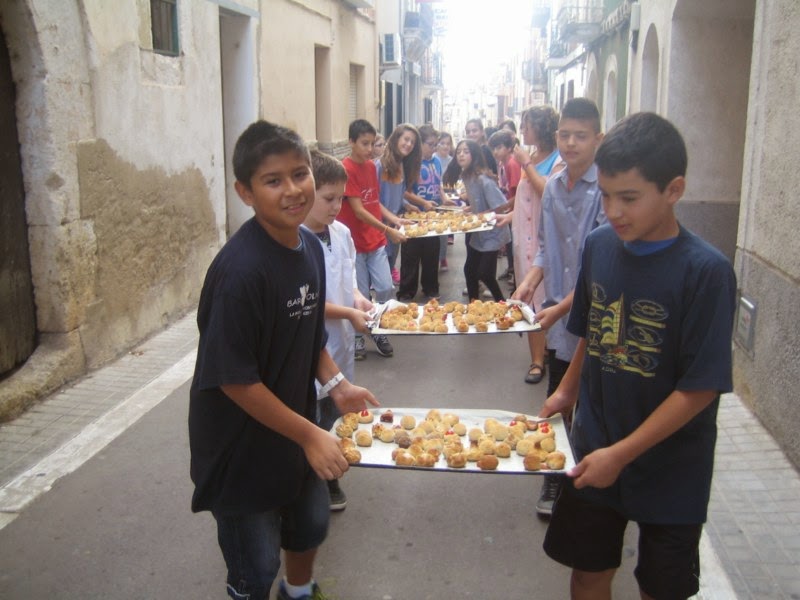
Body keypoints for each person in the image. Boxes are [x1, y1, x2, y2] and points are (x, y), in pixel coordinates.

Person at [540, 112, 736, 600]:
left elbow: (700, 388)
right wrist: (566, 391)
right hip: (595, 444)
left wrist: (623, 455)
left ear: (674, 190)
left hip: (673, 464)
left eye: (629, 198)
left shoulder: (707, 272)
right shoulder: (599, 246)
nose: (614, 211)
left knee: (661, 587)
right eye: (606, 196)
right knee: (587, 574)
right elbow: (593, 330)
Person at [188, 120, 379, 600]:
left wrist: (338, 386)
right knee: (255, 564)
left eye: (299, 174)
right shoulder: (240, 273)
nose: (292, 190)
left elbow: (307, 336)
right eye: (273, 181)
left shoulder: (309, 247)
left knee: (309, 526)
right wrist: (311, 434)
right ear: (245, 192)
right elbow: (235, 380)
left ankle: (298, 591)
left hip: (295, 432)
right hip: (241, 451)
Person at [512, 97, 606, 516]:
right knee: (557, 397)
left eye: (580, 136)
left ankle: (588, 482)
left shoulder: (605, 190)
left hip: (597, 316)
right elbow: (545, 249)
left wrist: (565, 308)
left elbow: (598, 270)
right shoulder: (551, 187)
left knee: (593, 404)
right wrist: (529, 283)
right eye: (565, 135)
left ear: (597, 139)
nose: (570, 144)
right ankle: (552, 477)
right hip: (560, 315)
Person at [304, 150, 374, 512]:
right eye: (328, 198)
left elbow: (348, 279)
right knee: (311, 416)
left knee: (335, 412)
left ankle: (330, 475)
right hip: (312, 347)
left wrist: (359, 300)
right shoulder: (297, 240)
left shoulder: (342, 233)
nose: (336, 207)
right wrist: (348, 311)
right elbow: (309, 301)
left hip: (342, 342)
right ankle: (315, 482)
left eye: (340, 199)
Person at [497, 106, 564, 385]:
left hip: (544, 239)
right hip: (523, 240)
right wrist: (508, 216)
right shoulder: (533, 156)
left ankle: (548, 353)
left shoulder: (557, 160)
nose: (522, 131)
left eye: (527, 125)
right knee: (529, 299)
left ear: (541, 128)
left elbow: (548, 194)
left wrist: (526, 164)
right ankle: (537, 357)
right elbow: (526, 200)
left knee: (546, 298)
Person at [336, 118, 405, 360]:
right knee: (361, 295)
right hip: (354, 244)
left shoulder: (371, 167)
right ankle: (358, 336)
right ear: (351, 142)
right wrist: (388, 230)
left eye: (372, 143)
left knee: (385, 286)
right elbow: (358, 210)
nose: (369, 148)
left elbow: (374, 203)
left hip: (375, 240)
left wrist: (394, 219)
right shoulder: (346, 169)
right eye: (364, 143)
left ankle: (377, 328)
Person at [443, 139, 510, 301]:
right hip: (479, 231)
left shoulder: (483, 179)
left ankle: (502, 303)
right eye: (459, 152)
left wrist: (482, 214)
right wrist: (472, 208)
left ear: (474, 155)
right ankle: (474, 304)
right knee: (470, 270)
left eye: (466, 152)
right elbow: (479, 200)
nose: (461, 155)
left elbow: (502, 206)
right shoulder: (467, 175)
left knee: (485, 273)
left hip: (493, 232)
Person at [397, 124, 448, 301]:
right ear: (421, 144)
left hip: (432, 215)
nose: (434, 148)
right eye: (430, 144)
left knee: (431, 253)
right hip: (413, 215)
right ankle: (406, 291)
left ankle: (431, 288)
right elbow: (404, 191)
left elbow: (438, 184)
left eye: (435, 144)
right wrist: (423, 202)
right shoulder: (411, 163)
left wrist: (443, 197)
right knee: (411, 255)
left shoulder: (436, 162)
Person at [376, 123, 422, 285]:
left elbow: (395, 192)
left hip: (394, 228)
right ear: (396, 139)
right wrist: (392, 220)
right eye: (406, 139)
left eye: (412, 142)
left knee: (388, 269)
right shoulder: (380, 166)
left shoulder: (403, 164)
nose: (409, 144)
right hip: (379, 228)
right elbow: (373, 200)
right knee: (381, 282)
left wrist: (406, 204)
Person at [488, 129, 522, 287]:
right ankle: (511, 269)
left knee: (513, 244)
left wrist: (505, 207)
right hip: (509, 208)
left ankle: (515, 275)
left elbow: (518, 192)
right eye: (494, 148)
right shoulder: (503, 164)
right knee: (509, 243)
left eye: (499, 147)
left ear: (509, 148)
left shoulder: (511, 164)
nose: (496, 151)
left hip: (514, 210)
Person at [435, 131, 456, 266]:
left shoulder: (452, 161)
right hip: (434, 197)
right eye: (442, 143)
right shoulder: (433, 158)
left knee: (443, 229)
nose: (445, 146)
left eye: (448, 143)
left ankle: (442, 256)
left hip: (448, 196)